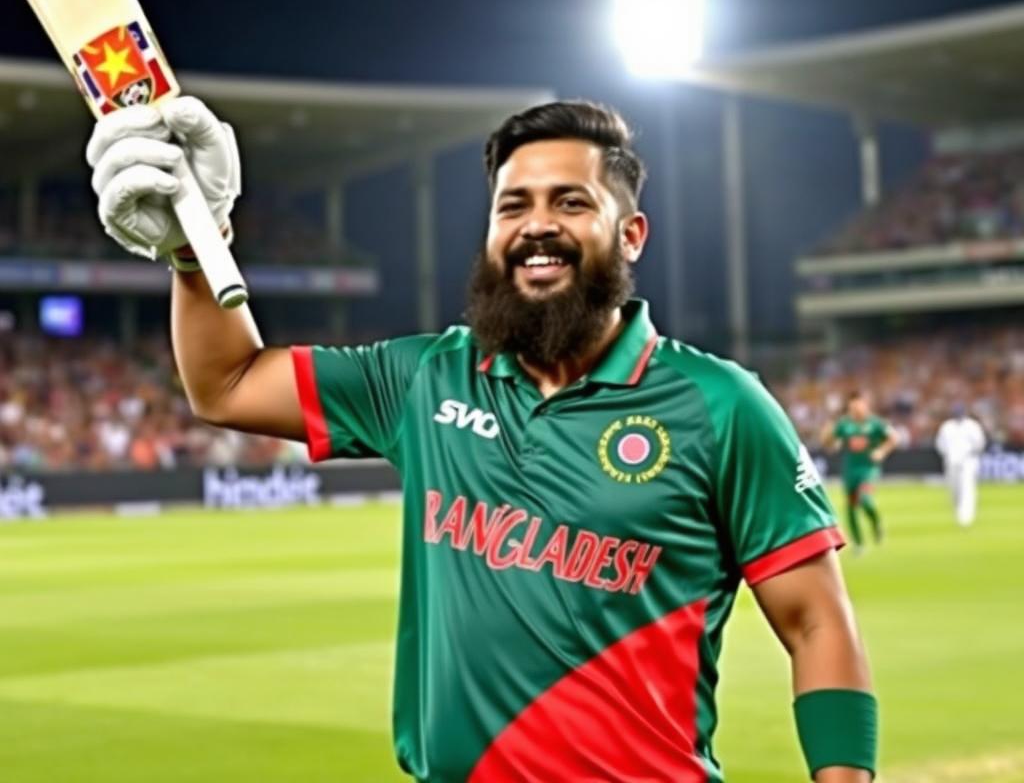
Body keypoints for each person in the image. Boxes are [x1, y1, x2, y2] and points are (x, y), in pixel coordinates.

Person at [86, 96, 878, 783]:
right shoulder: (427, 379)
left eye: (571, 203)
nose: (538, 225)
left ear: (630, 234)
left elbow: (816, 623)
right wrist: (195, 249)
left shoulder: (720, 406)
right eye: (513, 205)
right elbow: (225, 383)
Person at [820, 391, 898, 554]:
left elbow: (893, 438)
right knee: (851, 507)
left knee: (865, 500)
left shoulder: (876, 424)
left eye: (858, 405)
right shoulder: (844, 424)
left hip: (868, 469)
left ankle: (876, 522)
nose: (856, 409)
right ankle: (858, 543)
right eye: (853, 406)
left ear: (865, 405)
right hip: (850, 470)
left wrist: (881, 452)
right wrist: (828, 430)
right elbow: (829, 443)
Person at [934, 402, 986, 526]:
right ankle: (958, 512)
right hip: (951, 461)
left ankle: (966, 517)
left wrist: (971, 454)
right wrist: (947, 454)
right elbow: (940, 444)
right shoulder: (947, 427)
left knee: (967, 488)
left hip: (968, 461)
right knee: (954, 490)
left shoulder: (972, 426)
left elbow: (980, 443)